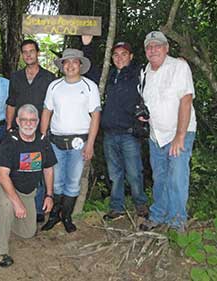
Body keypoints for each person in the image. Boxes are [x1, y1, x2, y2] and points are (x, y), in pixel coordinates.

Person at [81, 36, 148, 220]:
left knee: (134, 173)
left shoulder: (138, 74)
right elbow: (90, 73)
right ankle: (116, 207)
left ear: (131, 56)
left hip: (129, 134)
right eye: (116, 55)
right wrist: (87, 46)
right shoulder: (108, 75)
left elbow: (157, 70)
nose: (119, 58)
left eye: (124, 54)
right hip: (110, 134)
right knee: (114, 175)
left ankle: (140, 204)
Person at [139, 31, 196, 232]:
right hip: (157, 136)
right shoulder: (145, 71)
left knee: (177, 177)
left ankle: (177, 222)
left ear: (166, 48)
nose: (153, 50)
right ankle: (158, 215)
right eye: (149, 47)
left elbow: (186, 100)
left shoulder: (179, 67)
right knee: (160, 178)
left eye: (157, 45)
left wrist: (180, 135)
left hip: (179, 132)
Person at [40, 48, 101, 233]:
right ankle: (54, 215)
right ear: (62, 66)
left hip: (79, 143)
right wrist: (43, 139)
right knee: (56, 181)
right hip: (55, 141)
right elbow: (46, 112)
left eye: (75, 62)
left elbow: (96, 116)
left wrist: (90, 143)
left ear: (80, 65)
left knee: (73, 182)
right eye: (67, 62)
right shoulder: (54, 86)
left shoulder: (90, 86)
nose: (71, 65)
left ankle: (66, 216)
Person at [0, 104, 57, 267]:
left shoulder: (42, 141)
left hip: (28, 191)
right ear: (17, 121)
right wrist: (16, 203)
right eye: (24, 120)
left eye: (32, 120)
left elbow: (48, 169)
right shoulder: (10, 141)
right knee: (8, 205)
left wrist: (49, 195)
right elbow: (2, 175)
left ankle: (0, 215)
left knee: (27, 233)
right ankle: (1, 251)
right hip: (6, 185)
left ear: (37, 122)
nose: (28, 124)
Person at [6, 39, 55, 223]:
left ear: (38, 53)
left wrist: (44, 131)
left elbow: (51, 107)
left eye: (31, 51)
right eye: (25, 52)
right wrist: (9, 127)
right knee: (22, 165)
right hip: (20, 130)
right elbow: (11, 103)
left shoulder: (49, 78)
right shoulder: (16, 77)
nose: (28, 55)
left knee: (40, 166)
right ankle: (19, 203)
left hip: (40, 130)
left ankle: (39, 208)